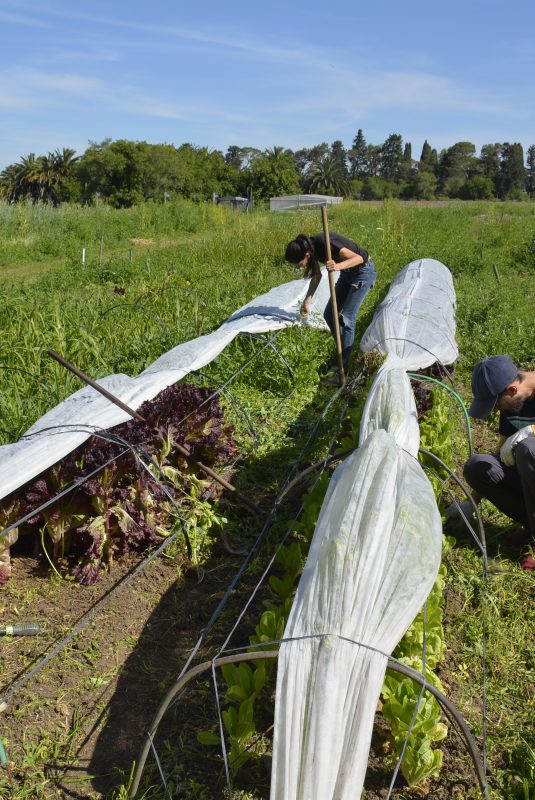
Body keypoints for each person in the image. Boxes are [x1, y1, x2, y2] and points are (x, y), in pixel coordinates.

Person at [447, 355, 535, 570]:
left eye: (496, 405)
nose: (496, 411)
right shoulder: (513, 403)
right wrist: (472, 501)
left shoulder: (513, 399)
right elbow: (501, 451)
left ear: (512, 390)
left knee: (528, 449)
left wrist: (532, 431)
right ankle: (532, 527)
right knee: (478, 467)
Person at [285, 231, 376, 381]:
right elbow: (316, 276)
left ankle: (343, 366)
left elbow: (359, 258)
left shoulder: (323, 242)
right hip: (347, 274)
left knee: (346, 318)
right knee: (329, 315)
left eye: (298, 265)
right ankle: (342, 350)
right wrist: (307, 301)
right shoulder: (312, 250)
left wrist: (337, 265)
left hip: (362, 272)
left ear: (306, 255)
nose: (299, 268)